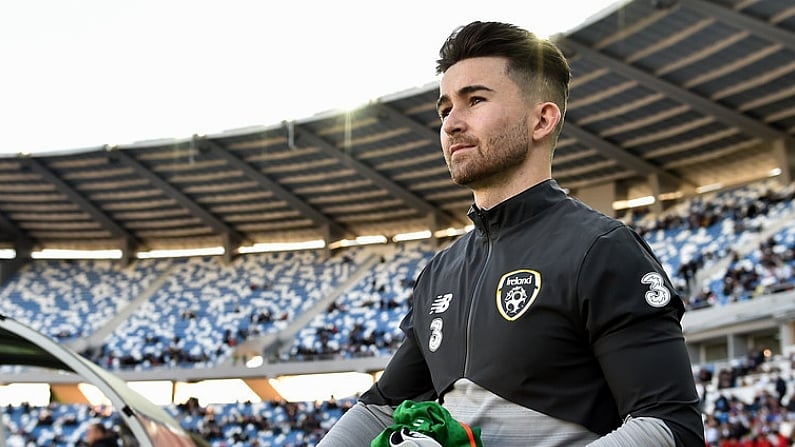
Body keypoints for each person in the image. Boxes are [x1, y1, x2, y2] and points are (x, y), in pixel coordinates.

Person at [317, 21, 704, 446]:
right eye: (445, 110)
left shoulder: (601, 249)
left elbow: (669, 426)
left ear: (541, 119)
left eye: (475, 100)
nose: (451, 124)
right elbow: (379, 409)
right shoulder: (440, 273)